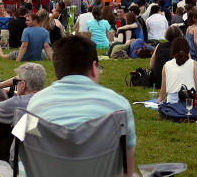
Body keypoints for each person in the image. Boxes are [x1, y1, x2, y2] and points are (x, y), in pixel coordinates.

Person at [26, 35, 136, 176]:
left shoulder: (36, 103)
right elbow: (127, 169)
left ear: (57, 68)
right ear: (93, 67)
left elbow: (30, 152)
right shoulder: (119, 106)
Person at [0, 63, 47, 161]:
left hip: (22, 159)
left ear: (23, 85)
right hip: (48, 152)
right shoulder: (48, 98)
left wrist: (15, 96)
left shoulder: (18, 102)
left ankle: (4, 154)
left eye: (17, 82)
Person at [157, 37, 197, 105]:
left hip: (171, 106)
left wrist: (159, 99)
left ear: (172, 50)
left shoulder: (166, 65)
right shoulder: (194, 63)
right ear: (188, 49)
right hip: (188, 104)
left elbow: (163, 90)